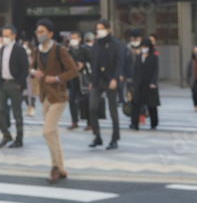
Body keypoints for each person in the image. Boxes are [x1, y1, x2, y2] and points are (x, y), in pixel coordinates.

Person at [29, 19, 77, 183]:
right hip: (44, 97)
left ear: (50, 34)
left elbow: (73, 71)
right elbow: (32, 67)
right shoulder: (36, 50)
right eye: (37, 32)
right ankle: (61, 168)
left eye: (42, 32)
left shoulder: (59, 50)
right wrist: (34, 72)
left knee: (47, 131)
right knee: (53, 134)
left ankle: (55, 168)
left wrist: (56, 78)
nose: (39, 35)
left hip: (58, 96)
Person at [0, 25, 30, 149]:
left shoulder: (19, 49)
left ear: (13, 36)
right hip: (3, 84)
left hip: (15, 84)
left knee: (17, 113)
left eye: (6, 36)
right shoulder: (3, 48)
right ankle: (6, 135)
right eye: (3, 36)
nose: (4, 38)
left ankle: (19, 139)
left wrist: (19, 83)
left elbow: (25, 68)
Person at [89, 19, 123, 150]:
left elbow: (119, 63)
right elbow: (94, 63)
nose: (99, 31)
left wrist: (115, 79)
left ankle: (115, 139)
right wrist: (92, 81)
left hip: (111, 80)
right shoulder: (96, 44)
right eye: (98, 29)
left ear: (108, 29)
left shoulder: (116, 44)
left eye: (101, 28)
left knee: (113, 110)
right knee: (92, 107)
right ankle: (97, 137)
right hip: (98, 81)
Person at [129, 37, 160, 131]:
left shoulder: (154, 57)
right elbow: (135, 71)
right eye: (142, 46)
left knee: (151, 105)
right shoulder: (139, 57)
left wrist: (153, 82)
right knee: (136, 104)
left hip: (150, 83)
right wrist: (134, 84)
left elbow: (156, 70)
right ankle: (134, 123)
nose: (143, 48)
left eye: (145, 46)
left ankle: (154, 123)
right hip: (139, 84)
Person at [66, 31, 88, 131]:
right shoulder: (68, 51)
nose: (73, 40)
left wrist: (83, 65)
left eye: (74, 38)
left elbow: (91, 61)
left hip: (83, 78)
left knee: (85, 100)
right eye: (71, 38)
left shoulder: (85, 49)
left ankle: (89, 122)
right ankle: (74, 121)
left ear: (79, 39)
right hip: (72, 79)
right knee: (71, 100)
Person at [184, 45, 197, 112]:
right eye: (195, 51)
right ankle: (196, 105)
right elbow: (187, 69)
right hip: (193, 80)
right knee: (194, 93)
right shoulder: (191, 60)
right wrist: (186, 78)